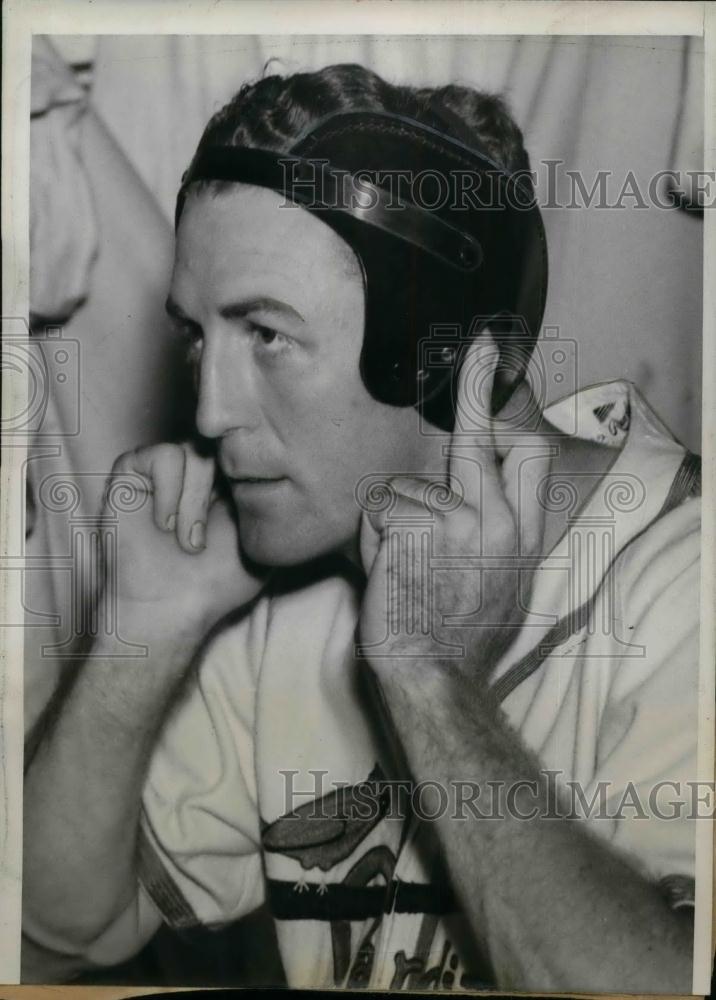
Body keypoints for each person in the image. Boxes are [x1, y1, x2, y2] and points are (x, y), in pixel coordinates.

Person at [22, 64, 701, 993]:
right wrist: (141, 635)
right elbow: (48, 938)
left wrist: (428, 679)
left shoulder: (685, 586)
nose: (211, 413)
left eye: (266, 335)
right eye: (196, 335)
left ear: (450, 358)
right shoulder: (294, 559)